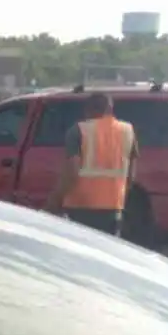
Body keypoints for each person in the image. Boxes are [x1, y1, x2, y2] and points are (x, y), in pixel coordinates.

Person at [53, 92, 138, 235]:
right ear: (111, 110)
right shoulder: (128, 131)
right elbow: (131, 176)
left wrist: (54, 201)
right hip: (113, 207)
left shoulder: (78, 130)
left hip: (80, 208)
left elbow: (72, 173)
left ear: (87, 110)